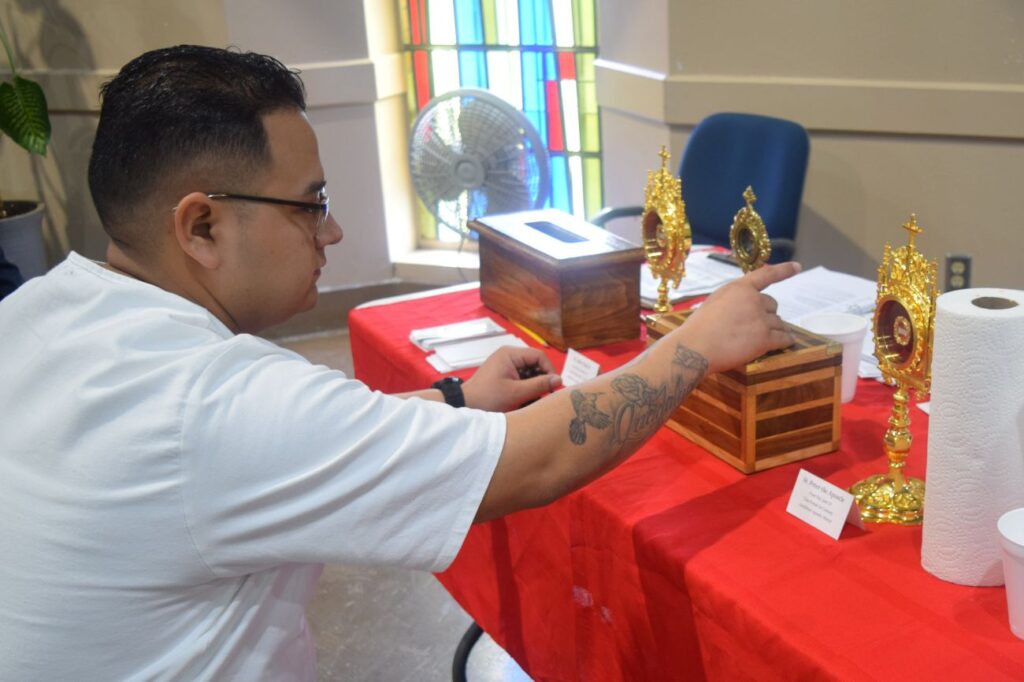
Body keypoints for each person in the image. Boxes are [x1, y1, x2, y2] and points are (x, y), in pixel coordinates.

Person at [0, 45, 799, 680]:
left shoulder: (35, 310)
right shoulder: (213, 405)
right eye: (310, 204)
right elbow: (540, 459)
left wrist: (454, 400)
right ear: (201, 226)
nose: (332, 231)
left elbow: (290, 447)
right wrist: (696, 342)